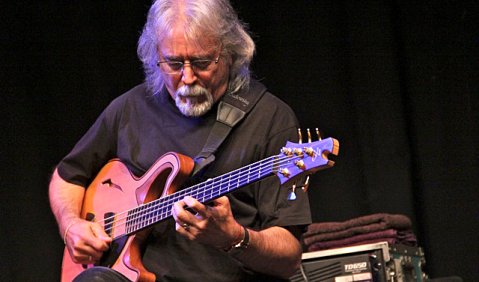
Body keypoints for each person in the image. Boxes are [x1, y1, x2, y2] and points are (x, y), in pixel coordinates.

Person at [49, 0, 312, 281]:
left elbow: (288, 259)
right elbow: (67, 178)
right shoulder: (130, 108)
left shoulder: (270, 118)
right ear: (155, 57)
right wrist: (71, 226)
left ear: (230, 53)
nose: (187, 78)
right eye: (174, 63)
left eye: (201, 62)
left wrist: (233, 238)